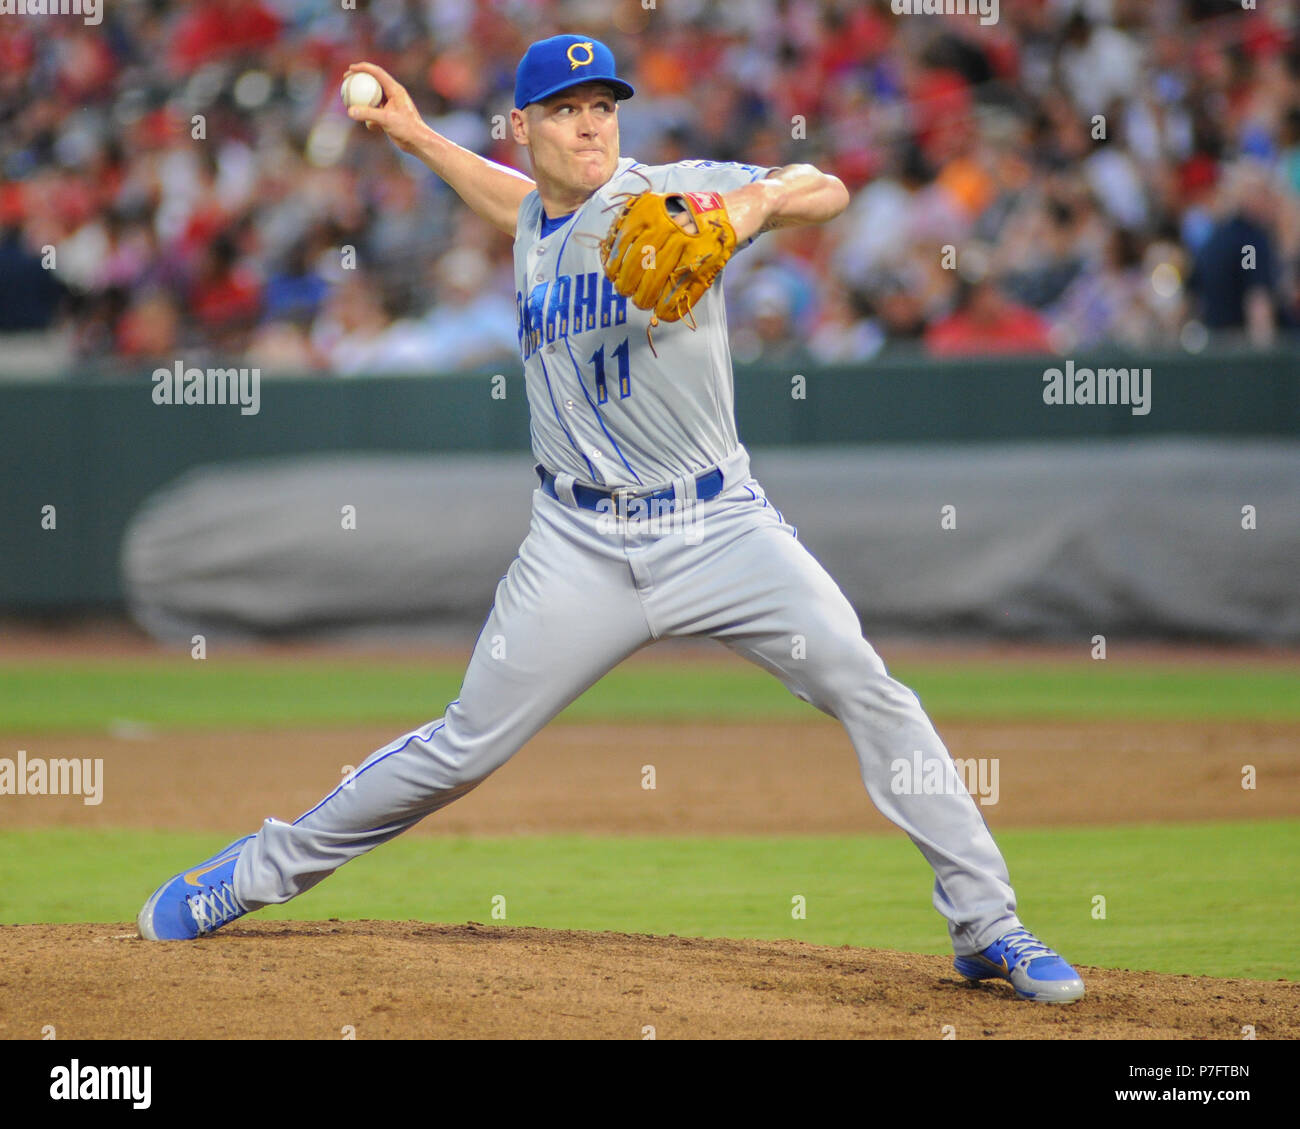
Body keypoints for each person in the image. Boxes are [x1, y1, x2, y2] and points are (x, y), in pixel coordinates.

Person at [137, 34, 1085, 1004]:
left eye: (602, 105)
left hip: (720, 527)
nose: (589, 124)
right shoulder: (531, 222)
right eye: (564, 109)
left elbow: (826, 186)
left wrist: (746, 206)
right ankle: (252, 873)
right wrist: (415, 135)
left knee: (868, 685)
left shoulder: (665, 192)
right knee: (464, 745)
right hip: (577, 545)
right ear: (524, 127)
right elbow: (515, 203)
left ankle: (987, 926)